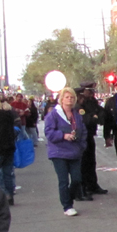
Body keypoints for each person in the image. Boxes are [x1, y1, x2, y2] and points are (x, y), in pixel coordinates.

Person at [44, 87, 87, 216]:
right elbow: (49, 132)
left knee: (77, 179)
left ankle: (70, 196)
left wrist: (81, 145)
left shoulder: (77, 114)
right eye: (67, 97)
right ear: (61, 99)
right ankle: (67, 206)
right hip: (58, 152)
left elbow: (83, 130)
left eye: (72, 97)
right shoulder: (54, 114)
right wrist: (63, 135)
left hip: (75, 151)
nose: (70, 99)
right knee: (63, 180)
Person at [77, 84, 107, 197]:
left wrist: (96, 117)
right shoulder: (79, 105)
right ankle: (84, 187)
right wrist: (94, 117)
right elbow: (86, 119)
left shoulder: (91, 102)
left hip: (89, 135)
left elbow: (101, 113)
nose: (91, 94)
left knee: (91, 162)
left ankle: (93, 185)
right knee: (84, 163)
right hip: (82, 136)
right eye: (89, 92)